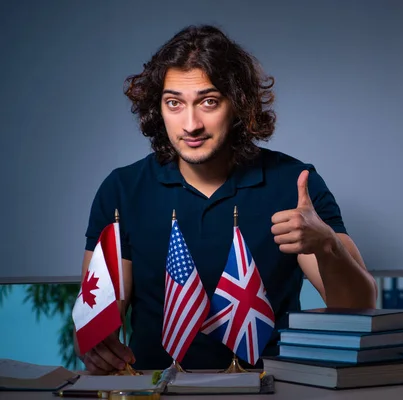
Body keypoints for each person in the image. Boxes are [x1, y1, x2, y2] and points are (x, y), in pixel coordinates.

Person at [74, 24, 377, 374]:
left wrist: (327, 245)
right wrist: (95, 347)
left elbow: (359, 307)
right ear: (158, 108)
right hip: (157, 386)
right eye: (174, 103)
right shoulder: (122, 189)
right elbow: (96, 318)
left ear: (238, 104)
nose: (191, 124)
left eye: (208, 102)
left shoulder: (294, 185)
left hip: (271, 386)